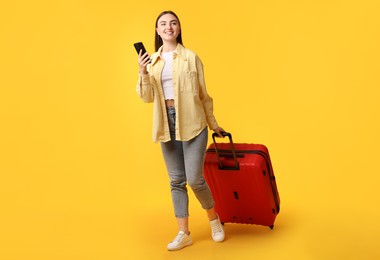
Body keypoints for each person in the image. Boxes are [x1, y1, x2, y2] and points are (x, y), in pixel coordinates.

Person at [136, 10, 225, 251]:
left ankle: (214, 220)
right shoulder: (152, 62)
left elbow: (204, 95)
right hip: (167, 123)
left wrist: (214, 124)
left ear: (178, 28)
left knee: (195, 179)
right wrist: (143, 72)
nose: (168, 27)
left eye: (173, 23)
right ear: (157, 30)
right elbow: (146, 97)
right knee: (176, 180)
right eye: (163, 24)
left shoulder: (191, 58)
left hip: (194, 122)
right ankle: (183, 232)